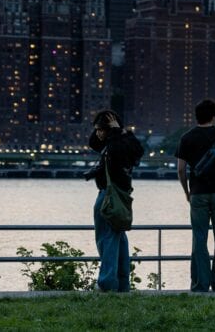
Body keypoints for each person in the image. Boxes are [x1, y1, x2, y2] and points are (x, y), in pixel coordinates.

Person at [175, 98, 215, 292]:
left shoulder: (186, 138)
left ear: (197, 116)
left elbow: (180, 169)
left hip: (198, 194)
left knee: (199, 239)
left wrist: (187, 192)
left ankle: (200, 284)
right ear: (214, 116)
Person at [87, 109, 144, 293]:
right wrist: (122, 131)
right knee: (118, 238)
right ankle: (122, 284)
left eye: (101, 129)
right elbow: (93, 142)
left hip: (109, 197)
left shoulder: (115, 146)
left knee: (106, 239)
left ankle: (107, 284)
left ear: (110, 130)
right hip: (121, 197)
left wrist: (118, 131)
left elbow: (119, 148)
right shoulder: (124, 144)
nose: (98, 133)